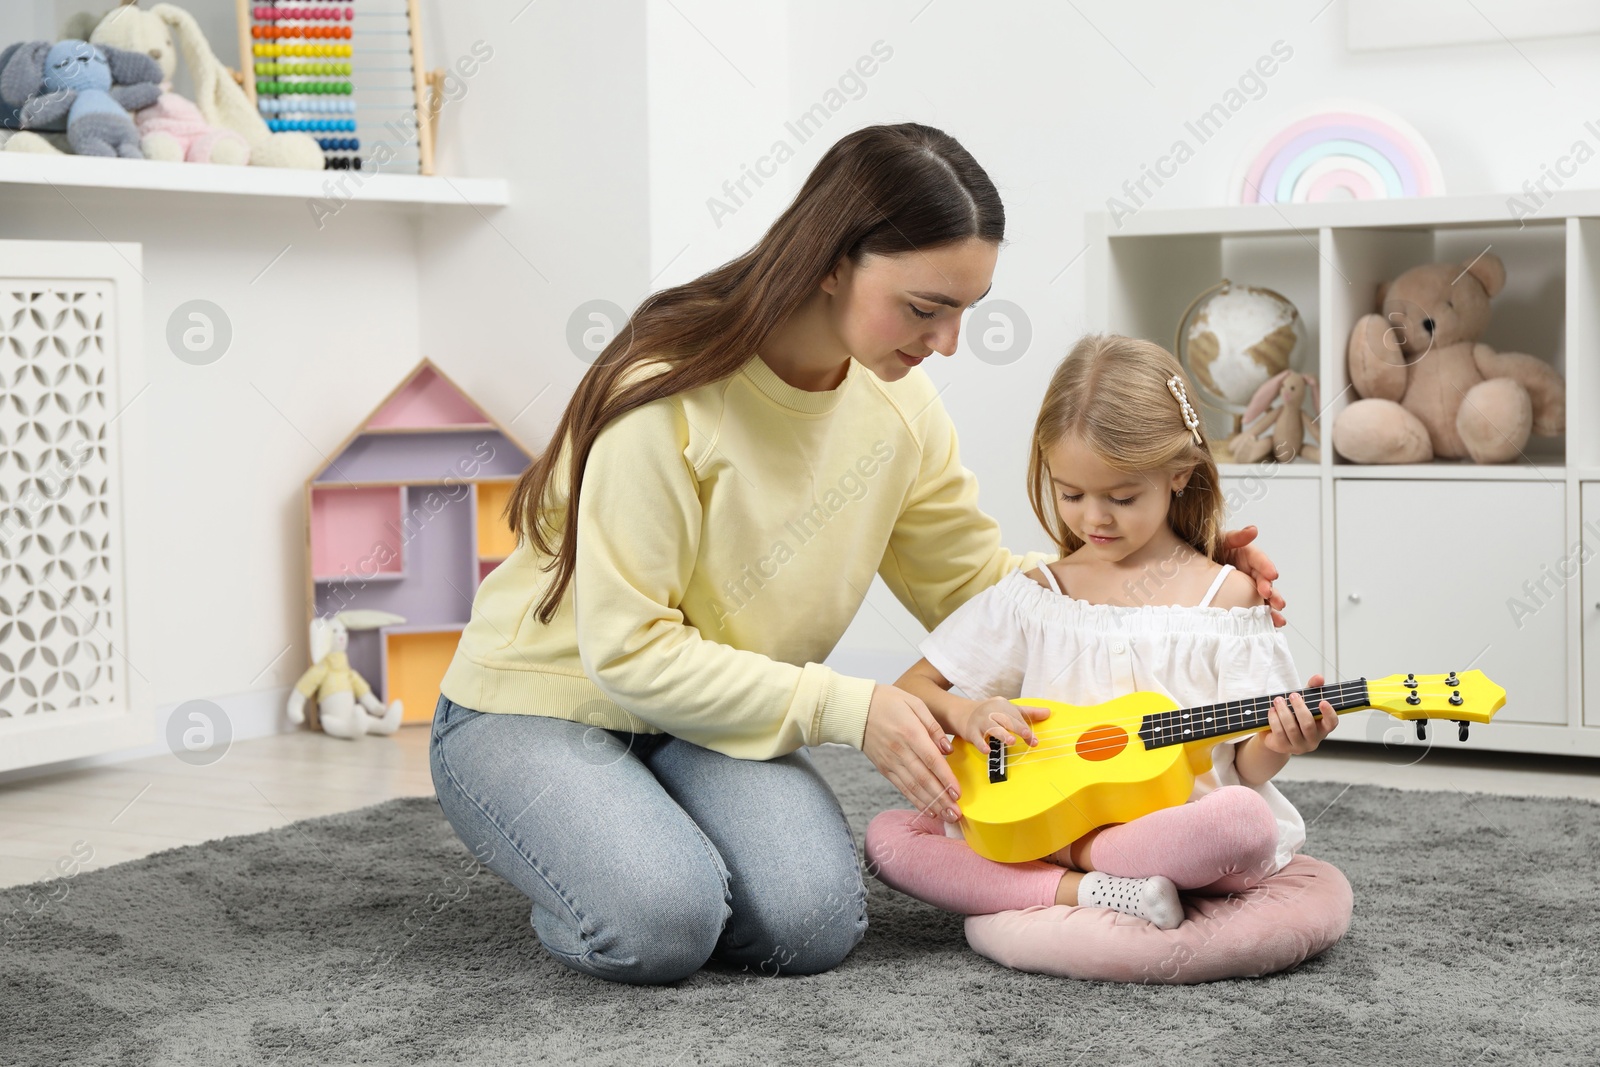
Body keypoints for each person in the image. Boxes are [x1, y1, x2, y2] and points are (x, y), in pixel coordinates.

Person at [428, 124, 1285, 986]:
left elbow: (973, 586)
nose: (947, 343)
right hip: (537, 706)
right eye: (924, 309)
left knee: (812, 929)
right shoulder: (664, 399)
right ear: (831, 261)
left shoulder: (898, 412)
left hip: (704, 722)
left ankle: (653, 844)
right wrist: (856, 708)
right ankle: (623, 872)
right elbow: (627, 653)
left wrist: (1164, 575)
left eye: (964, 311)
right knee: (664, 924)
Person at [865, 333, 1337, 935]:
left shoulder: (1228, 600)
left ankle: (1076, 875)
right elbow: (915, 687)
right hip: (1041, 818)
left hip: (1169, 830)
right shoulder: (1037, 595)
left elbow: (1244, 766)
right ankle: (1089, 888)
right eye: (1071, 494)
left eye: (1121, 497)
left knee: (1243, 823)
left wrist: (1284, 742)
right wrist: (968, 712)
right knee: (889, 839)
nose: (1094, 518)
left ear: (1179, 475)